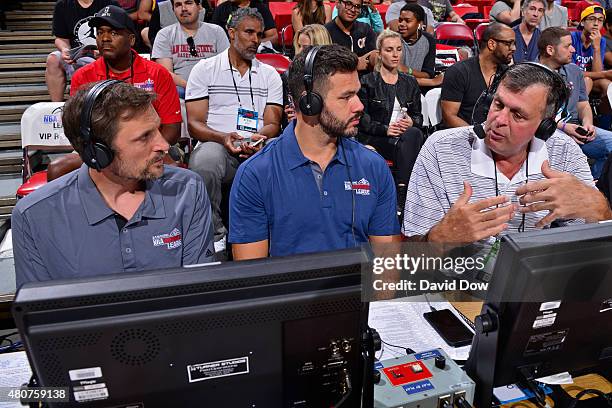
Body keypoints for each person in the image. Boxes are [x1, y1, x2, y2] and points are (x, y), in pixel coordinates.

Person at [12, 81, 215, 288]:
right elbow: (40, 314)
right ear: (98, 152)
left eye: (157, 129)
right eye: (144, 137)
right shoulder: (33, 216)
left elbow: (197, 295)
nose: (163, 145)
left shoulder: (187, 189)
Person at [403, 63, 603, 251]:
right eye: (498, 104)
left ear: (544, 126)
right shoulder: (441, 147)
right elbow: (410, 259)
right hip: (457, 284)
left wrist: (599, 207)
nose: (498, 120)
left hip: (535, 281)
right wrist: (439, 239)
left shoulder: (564, 151)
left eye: (517, 115)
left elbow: (596, 239)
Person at [229, 44, 401, 260]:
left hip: (358, 293)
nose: (359, 106)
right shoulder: (255, 174)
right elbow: (252, 278)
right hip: (290, 294)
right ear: (309, 102)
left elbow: (388, 266)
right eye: (346, 97)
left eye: (357, 94)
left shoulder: (373, 167)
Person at [185, 8, 283, 255]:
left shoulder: (270, 75)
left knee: (281, 151)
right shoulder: (204, 69)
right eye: (248, 32)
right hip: (217, 143)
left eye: (259, 35)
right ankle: (215, 234)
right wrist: (222, 137)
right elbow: (194, 124)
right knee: (206, 160)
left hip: (259, 144)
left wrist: (257, 139)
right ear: (231, 33)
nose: (255, 40)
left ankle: (278, 232)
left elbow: (273, 123)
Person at [71, 5, 182, 145]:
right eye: (100, 32)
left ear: (131, 40)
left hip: (150, 149)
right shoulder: (82, 77)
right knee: (56, 167)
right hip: (100, 153)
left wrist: (140, 154)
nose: (105, 38)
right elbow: (78, 129)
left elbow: (172, 128)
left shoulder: (158, 73)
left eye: (113, 33)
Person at [538, 26, 612, 179]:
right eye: (567, 46)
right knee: (580, 148)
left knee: (609, 142)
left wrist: (588, 124)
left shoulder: (575, 71)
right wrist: (564, 127)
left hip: (576, 127)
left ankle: (597, 187)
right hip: (547, 130)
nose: (573, 49)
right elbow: (534, 115)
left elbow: (583, 104)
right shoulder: (531, 74)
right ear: (550, 50)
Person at [358, 30, 424, 190]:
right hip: (376, 138)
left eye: (399, 49)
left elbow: (418, 117)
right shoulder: (367, 81)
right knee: (411, 140)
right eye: (389, 50)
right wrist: (386, 129)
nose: (395, 55)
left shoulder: (410, 82)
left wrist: (411, 122)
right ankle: (406, 191)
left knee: (413, 133)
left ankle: (402, 189)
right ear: (379, 54)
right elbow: (362, 120)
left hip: (405, 138)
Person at [441, 23, 515, 128]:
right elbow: (449, 117)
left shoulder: (508, 74)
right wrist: (479, 139)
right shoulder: (459, 72)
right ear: (491, 44)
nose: (514, 48)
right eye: (509, 43)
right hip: (463, 138)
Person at [151, 0, 229, 99]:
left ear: (199, 7)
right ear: (173, 10)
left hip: (215, 89)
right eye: (178, 5)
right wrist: (192, 87)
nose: (183, 8)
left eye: (188, 3)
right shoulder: (164, 35)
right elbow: (166, 74)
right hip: (181, 92)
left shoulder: (216, 31)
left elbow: (226, 67)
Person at [45, 0, 119, 102]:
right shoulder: (63, 5)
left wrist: (105, 51)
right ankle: (56, 108)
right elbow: (61, 38)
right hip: (76, 58)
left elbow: (119, 35)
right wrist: (64, 49)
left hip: (103, 56)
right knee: (53, 59)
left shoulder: (109, 3)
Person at [285, 24, 333, 124]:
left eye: (305, 47)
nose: (300, 51)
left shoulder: (335, 75)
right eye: (299, 46)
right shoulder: (289, 75)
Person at [325, 0, 378, 71]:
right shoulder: (326, 32)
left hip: (365, 80)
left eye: (357, 6)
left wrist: (375, 57)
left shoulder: (366, 29)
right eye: (348, 4)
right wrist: (354, 65)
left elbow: (373, 55)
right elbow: (323, 66)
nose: (353, 10)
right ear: (337, 4)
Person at [396, 3, 441, 88]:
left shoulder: (429, 40)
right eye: (400, 20)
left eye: (408, 21)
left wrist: (407, 70)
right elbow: (394, 76)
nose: (402, 24)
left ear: (419, 24)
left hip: (419, 88)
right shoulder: (393, 39)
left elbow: (427, 74)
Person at [571, 6, 612, 97]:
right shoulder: (572, 38)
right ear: (582, 22)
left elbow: (596, 72)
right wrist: (604, 74)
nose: (596, 23)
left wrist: (596, 48)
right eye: (592, 19)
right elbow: (571, 72)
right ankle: (577, 109)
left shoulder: (601, 41)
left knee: (607, 85)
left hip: (592, 79)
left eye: (600, 20)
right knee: (587, 81)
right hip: (572, 79)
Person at [211, 0, 278, 46]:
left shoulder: (261, 9)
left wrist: (254, 44)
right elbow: (213, 37)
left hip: (257, 54)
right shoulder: (221, 9)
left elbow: (273, 37)